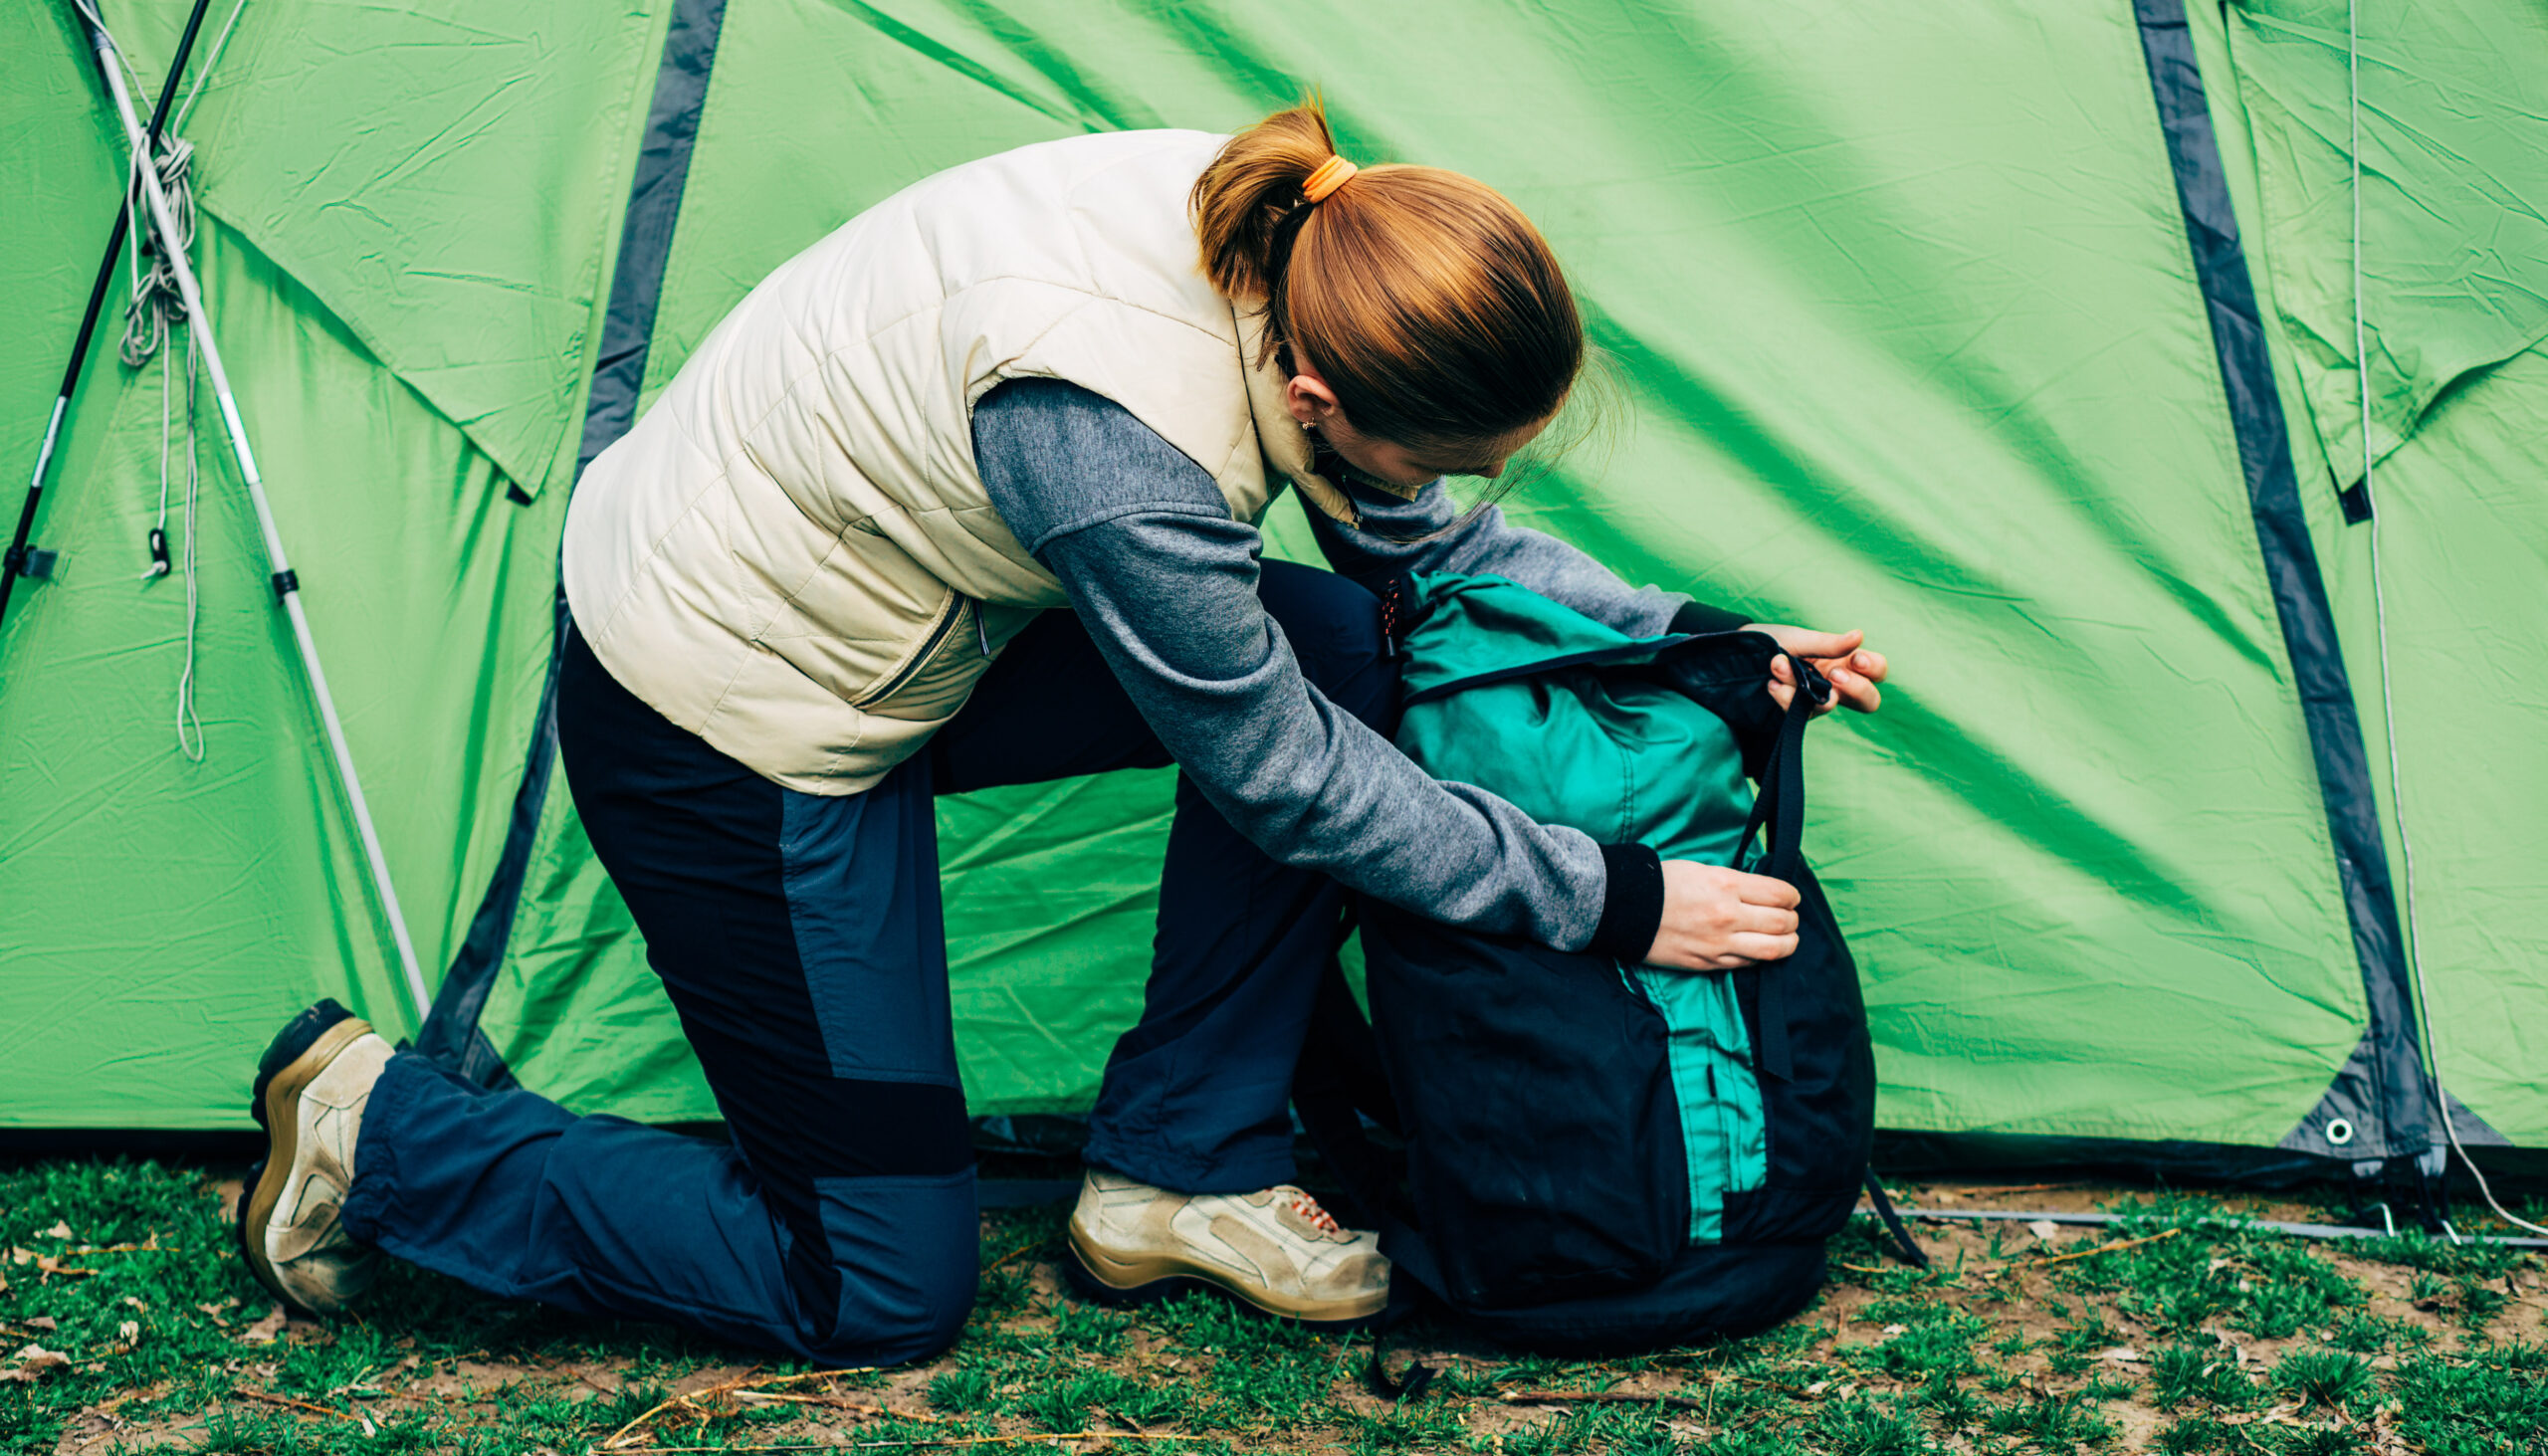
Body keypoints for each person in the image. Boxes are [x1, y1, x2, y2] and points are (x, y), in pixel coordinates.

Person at [236, 102, 1886, 1364]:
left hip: (891, 629)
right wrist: (1615, 894)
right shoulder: (1122, 446)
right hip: (723, 719)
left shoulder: (1318, 242)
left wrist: (1695, 637)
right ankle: (387, 1133)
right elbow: (1290, 780)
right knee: (873, 1282)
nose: (1432, 493)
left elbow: (1426, 550)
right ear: (1318, 405)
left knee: (1342, 634)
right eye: (1417, 457)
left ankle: (1177, 1169)